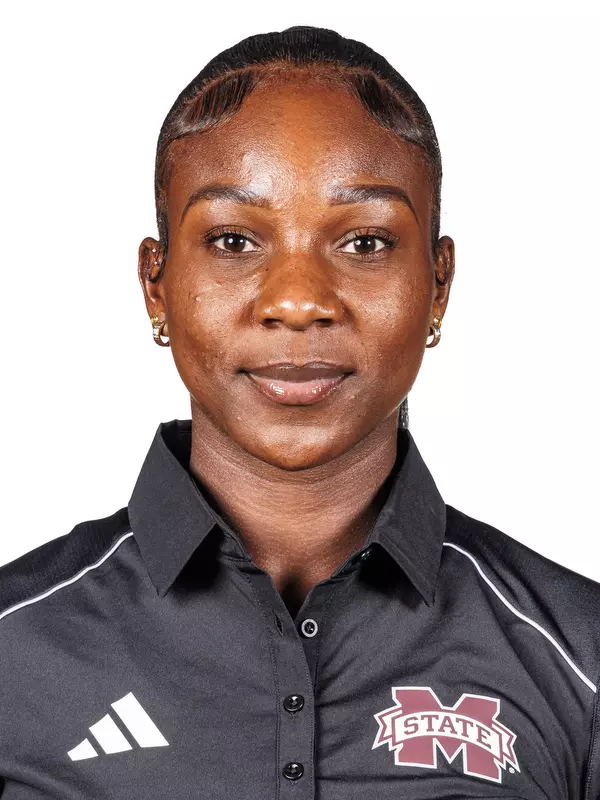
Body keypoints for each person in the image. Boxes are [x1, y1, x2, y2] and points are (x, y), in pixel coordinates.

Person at [1, 24, 599, 800]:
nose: (298, 301)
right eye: (232, 239)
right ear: (156, 285)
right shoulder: (15, 649)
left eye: (365, 243)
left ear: (438, 285)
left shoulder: (577, 660)